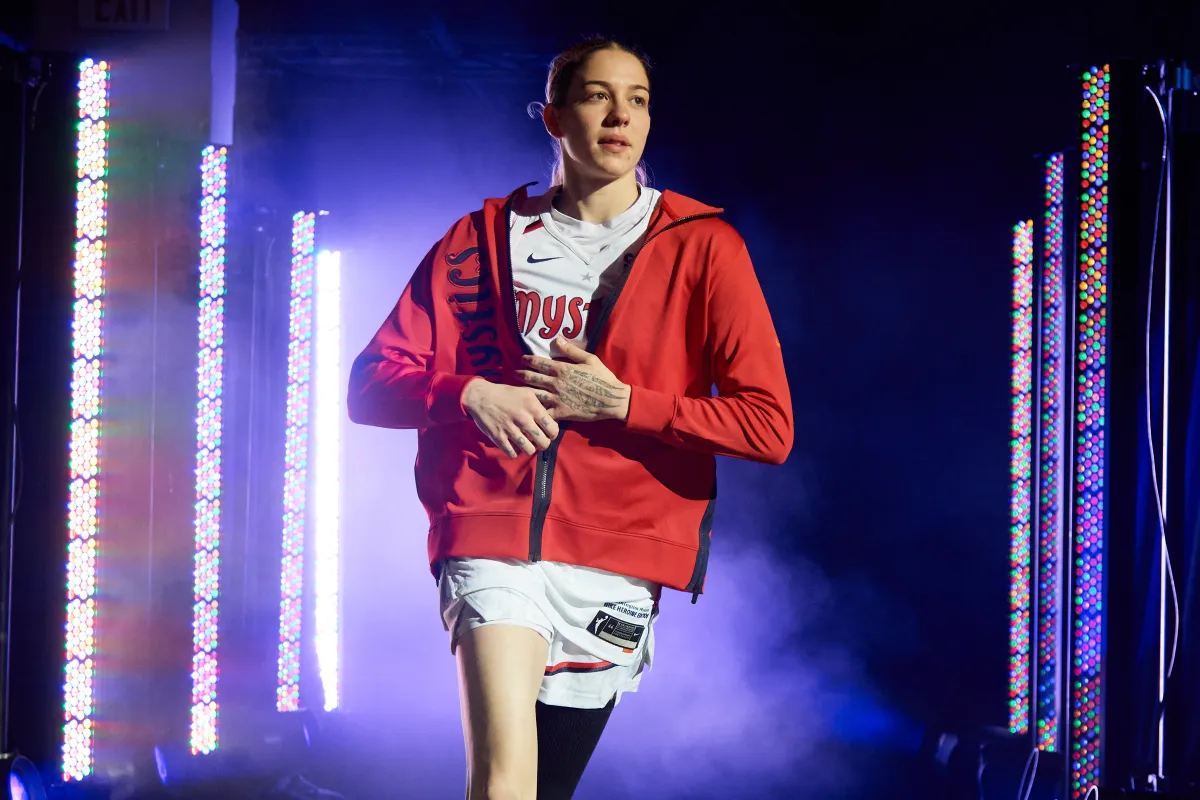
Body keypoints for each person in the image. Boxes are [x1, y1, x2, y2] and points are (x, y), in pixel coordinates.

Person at [347, 37, 793, 800]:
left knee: (544, 790)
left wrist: (624, 404)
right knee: (503, 778)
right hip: (491, 532)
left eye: (638, 100)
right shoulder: (479, 240)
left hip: (620, 557)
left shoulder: (704, 247)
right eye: (596, 96)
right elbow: (370, 385)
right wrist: (470, 394)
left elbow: (768, 426)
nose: (620, 116)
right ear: (553, 117)